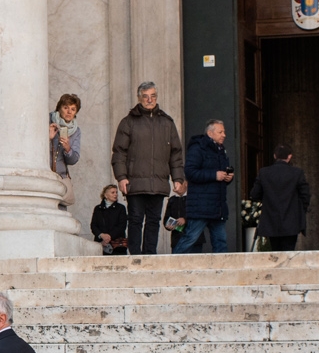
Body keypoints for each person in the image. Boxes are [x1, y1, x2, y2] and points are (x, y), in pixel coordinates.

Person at [109, 81, 186, 255]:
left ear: (156, 97)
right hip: (135, 182)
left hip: (158, 182)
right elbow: (119, 152)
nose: (149, 100)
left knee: (154, 220)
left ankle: (150, 254)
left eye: (153, 96)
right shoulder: (128, 122)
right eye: (145, 96)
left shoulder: (167, 122)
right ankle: (135, 255)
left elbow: (176, 154)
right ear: (139, 98)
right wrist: (121, 177)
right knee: (135, 219)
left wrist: (178, 179)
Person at [175, 120, 233, 254]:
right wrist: (214, 175)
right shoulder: (198, 148)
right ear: (210, 133)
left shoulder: (221, 150)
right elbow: (190, 172)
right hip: (201, 205)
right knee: (190, 238)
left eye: (224, 132)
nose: (224, 135)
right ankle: (171, 267)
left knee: (221, 241)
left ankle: (221, 271)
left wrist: (228, 177)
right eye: (220, 132)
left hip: (218, 206)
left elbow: (220, 175)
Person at [249, 144, 311, 252]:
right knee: (289, 252)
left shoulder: (264, 172)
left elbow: (254, 194)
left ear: (274, 156)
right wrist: (300, 210)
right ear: (289, 156)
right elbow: (305, 195)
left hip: (271, 220)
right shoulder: (297, 173)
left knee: (275, 250)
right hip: (292, 220)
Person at [91, 184, 126, 253]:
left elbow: (122, 225)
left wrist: (109, 237)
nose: (115, 194)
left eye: (116, 192)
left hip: (117, 245)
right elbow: (93, 225)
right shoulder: (98, 209)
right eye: (112, 192)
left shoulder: (121, 208)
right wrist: (101, 235)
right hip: (101, 244)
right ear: (105, 195)